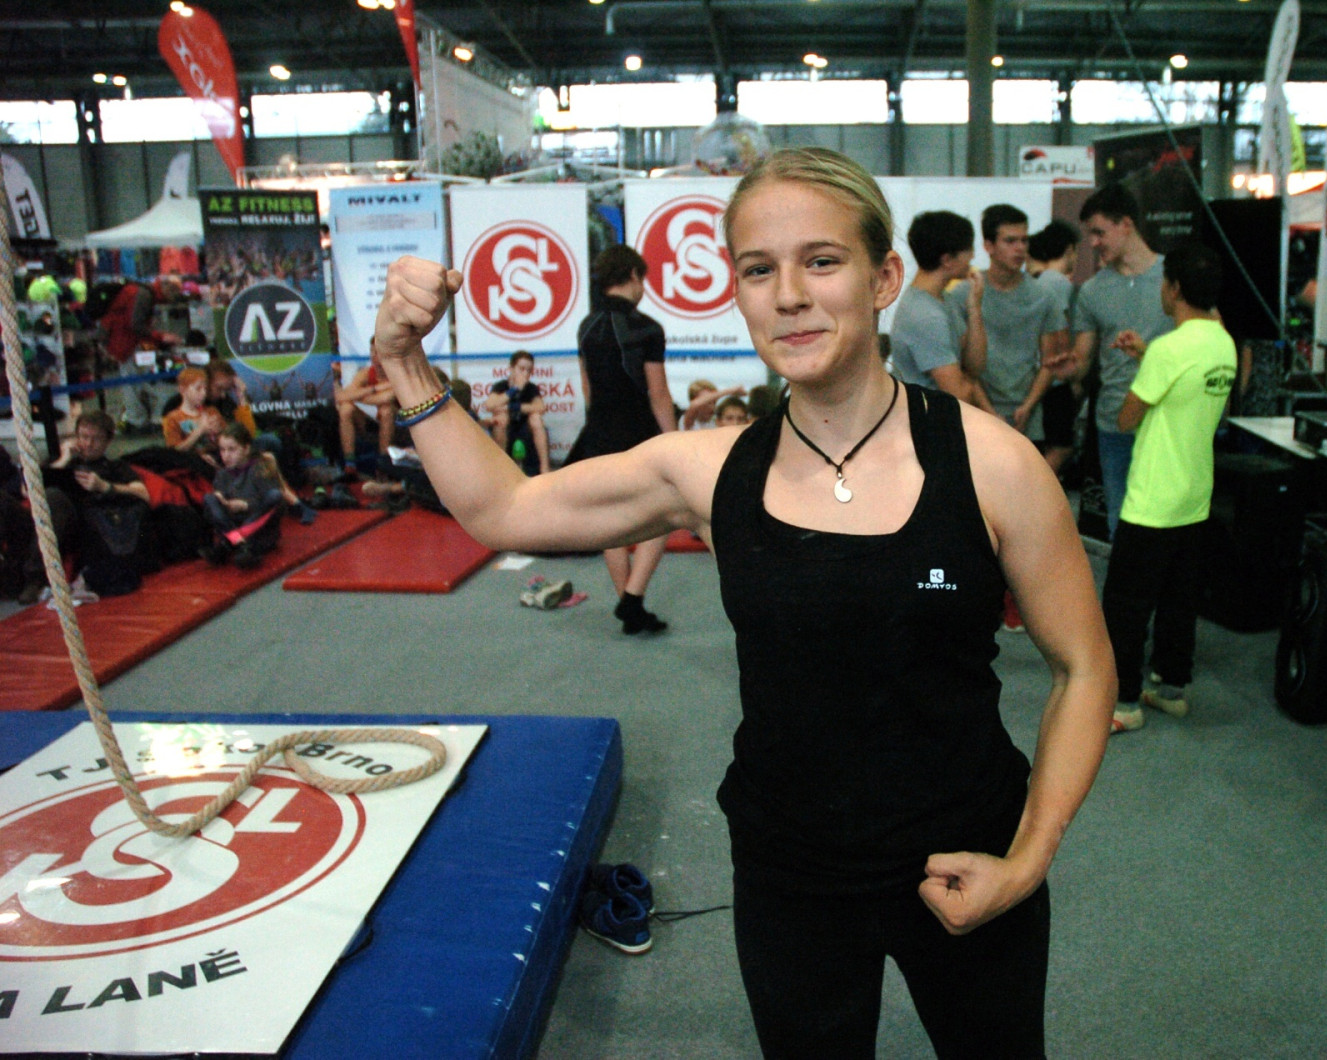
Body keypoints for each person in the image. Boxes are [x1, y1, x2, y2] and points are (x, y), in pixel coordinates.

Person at [369, 146, 1114, 1057]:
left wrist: (1029, 859)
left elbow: (1085, 668)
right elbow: (501, 507)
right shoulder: (709, 469)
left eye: (822, 261)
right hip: (790, 872)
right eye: (759, 270)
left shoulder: (994, 463)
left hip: (970, 855)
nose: (789, 295)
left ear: (883, 279)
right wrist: (404, 362)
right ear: (739, 292)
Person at [1098, 243, 1238, 734]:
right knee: (1179, 599)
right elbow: (1186, 386)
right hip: (1194, 496)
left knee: (1126, 604)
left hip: (1153, 500)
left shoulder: (1169, 349)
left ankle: (1124, 703)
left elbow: (1126, 417)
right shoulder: (1223, 343)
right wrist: (1147, 356)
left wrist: (1148, 360)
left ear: (1174, 288)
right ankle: (1172, 689)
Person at [566, 244, 678, 635]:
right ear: (633, 275)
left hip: (600, 430)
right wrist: (673, 441)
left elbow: (587, 387)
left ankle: (628, 604)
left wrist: (598, 427)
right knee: (665, 514)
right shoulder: (647, 327)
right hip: (639, 431)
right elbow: (658, 393)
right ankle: (632, 598)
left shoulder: (587, 325)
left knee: (611, 520)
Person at [1054, 182, 1171, 539]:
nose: (1093, 242)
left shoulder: (1174, 279)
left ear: (1126, 224)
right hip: (1114, 422)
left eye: (1099, 232)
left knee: (1168, 522)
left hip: (1167, 421)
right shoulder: (1092, 291)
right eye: (1090, 234)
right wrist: (1070, 369)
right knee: (1120, 521)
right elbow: (1084, 358)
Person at [946, 204, 1071, 440]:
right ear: (989, 246)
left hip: (1027, 416)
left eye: (1024, 240)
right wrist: (989, 412)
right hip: (976, 415)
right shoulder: (965, 294)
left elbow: (1049, 361)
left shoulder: (1044, 296)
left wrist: (1028, 406)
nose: (1020, 248)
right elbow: (961, 365)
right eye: (1010, 241)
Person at [21, 410, 153, 601]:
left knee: (54, 497)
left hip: (86, 526)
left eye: (96, 439)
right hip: (48, 520)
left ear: (107, 442)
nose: (88, 444)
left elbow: (143, 493)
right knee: (42, 497)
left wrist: (104, 486)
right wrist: (64, 459)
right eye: (83, 437)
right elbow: (28, 490)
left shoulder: (115, 467)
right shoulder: (59, 461)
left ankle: (35, 578)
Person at [889, 210, 992, 411]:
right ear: (947, 260)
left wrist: (974, 308)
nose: (973, 256)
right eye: (969, 249)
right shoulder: (926, 316)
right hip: (926, 421)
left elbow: (975, 367)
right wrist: (967, 380)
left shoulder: (945, 299)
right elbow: (959, 395)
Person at [1028, 221, 1084, 480]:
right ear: (1069, 249)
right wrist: (1072, 373)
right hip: (1055, 377)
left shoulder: (1038, 280)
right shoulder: (1057, 282)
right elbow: (1059, 329)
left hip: (1042, 374)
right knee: (1062, 445)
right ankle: (1037, 489)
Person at [97, 277, 183, 432]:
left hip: (119, 341)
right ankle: (138, 420)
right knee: (136, 383)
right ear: (168, 290)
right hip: (126, 343)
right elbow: (135, 324)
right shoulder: (144, 295)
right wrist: (161, 337)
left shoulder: (140, 291)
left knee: (132, 383)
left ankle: (137, 419)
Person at [202, 423, 285, 569]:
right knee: (209, 499)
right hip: (234, 523)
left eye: (232, 450)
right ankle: (240, 544)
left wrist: (245, 505)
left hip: (258, 530)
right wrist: (222, 501)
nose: (226, 455)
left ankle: (232, 543)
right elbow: (219, 504)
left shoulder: (260, 468)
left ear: (246, 449)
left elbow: (276, 506)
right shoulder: (222, 474)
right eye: (222, 450)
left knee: (275, 496)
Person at [483, 350, 553, 474]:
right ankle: (500, 468)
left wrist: (513, 407)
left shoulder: (531, 388)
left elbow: (540, 407)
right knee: (501, 418)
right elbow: (489, 405)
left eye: (528, 370)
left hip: (525, 428)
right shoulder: (501, 386)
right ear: (511, 368)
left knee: (536, 419)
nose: (525, 373)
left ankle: (544, 468)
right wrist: (514, 389)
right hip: (506, 428)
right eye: (521, 369)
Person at [682, 378, 748, 430]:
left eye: (714, 402)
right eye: (707, 402)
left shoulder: (717, 421)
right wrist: (731, 391)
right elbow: (694, 405)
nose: (712, 407)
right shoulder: (688, 422)